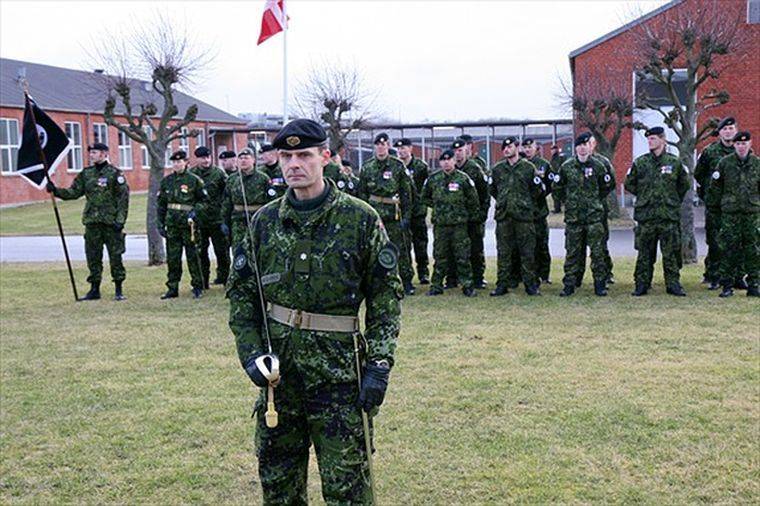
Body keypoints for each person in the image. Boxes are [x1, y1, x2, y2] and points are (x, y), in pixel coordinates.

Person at [227, 118, 402, 504]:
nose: (293, 164)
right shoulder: (264, 222)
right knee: (279, 485)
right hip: (279, 378)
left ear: (325, 157)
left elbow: (386, 299)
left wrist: (379, 364)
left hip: (340, 377)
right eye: (286, 156)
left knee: (348, 488)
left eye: (303, 155)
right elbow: (242, 296)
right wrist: (252, 355)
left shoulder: (360, 220)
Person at [46, 142, 129, 301]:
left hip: (111, 223)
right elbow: (74, 192)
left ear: (104, 154)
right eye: (90, 152)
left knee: (115, 256)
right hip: (92, 222)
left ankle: (118, 289)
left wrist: (120, 221)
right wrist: (55, 190)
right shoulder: (86, 174)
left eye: (95, 152)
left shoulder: (115, 174)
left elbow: (123, 199)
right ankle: (94, 289)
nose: (91, 155)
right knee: (93, 256)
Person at [624, 127, 690, 296]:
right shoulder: (641, 162)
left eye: (653, 138)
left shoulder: (674, 163)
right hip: (647, 216)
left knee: (671, 253)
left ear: (663, 140)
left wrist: (672, 200)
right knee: (645, 253)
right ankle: (642, 284)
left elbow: (684, 185)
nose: (650, 141)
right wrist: (645, 195)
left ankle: (673, 284)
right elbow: (630, 183)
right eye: (649, 139)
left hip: (668, 215)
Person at [553, 133, 613, 296]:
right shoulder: (567, 166)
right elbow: (557, 188)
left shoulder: (599, 166)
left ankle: (599, 285)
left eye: (585, 144)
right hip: (574, 218)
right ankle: (569, 285)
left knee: (597, 252)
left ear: (590, 146)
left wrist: (594, 201)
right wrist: (569, 201)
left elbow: (607, 186)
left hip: (594, 218)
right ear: (576, 148)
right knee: (572, 253)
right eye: (579, 145)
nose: (582, 147)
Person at [357, 132, 415, 295]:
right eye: (378, 144)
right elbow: (361, 194)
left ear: (388, 146)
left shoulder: (397, 166)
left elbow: (406, 194)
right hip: (374, 216)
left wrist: (407, 216)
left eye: (384, 144)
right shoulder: (367, 167)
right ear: (374, 147)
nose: (381, 147)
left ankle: (406, 280)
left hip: (394, 216)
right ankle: (374, 281)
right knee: (373, 250)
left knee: (400, 249)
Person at [489, 137, 544, 296]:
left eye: (510, 147)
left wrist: (524, 203)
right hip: (504, 217)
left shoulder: (528, 168)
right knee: (504, 252)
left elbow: (537, 191)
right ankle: (502, 285)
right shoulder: (498, 169)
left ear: (517, 148)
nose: (506, 150)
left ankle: (530, 285)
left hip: (524, 218)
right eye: (504, 148)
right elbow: (493, 189)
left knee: (527, 252)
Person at [421, 149, 480, 297]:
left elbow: (473, 200)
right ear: (440, 162)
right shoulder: (434, 179)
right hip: (441, 225)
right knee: (440, 256)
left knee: (462, 256)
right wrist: (439, 206)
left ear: (454, 161)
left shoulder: (463, 179)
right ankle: (436, 286)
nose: (446, 162)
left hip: (459, 225)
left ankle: (467, 286)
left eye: (449, 160)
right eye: (443, 160)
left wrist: (461, 211)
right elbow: (424, 197)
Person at [709, 131, 759, 298]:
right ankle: (727, 285)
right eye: (738, 144)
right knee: (729, 249)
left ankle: (754, 284)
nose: (741, 146)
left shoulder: (757, 164)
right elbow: (715, 189)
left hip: (751, 214)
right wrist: (716, 211)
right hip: (730, 215)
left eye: (745, 143)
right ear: (734, 145)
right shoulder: (725, 163)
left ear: (750, 144)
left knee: (753, 250)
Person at [157, 150, 208, 299]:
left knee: (193, 256)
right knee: (173, 257)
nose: (177, 164)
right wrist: (160, 223)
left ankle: (197, 286)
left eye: (179, 162)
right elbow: (161, 204)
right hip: (172, 224)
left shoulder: (194, 180)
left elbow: (204, 201)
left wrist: (195, 212)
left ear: (186, 162)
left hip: (189, 225)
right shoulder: (167, 181)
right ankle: (172, 288)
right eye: (174, 162)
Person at [694, 116, 738, 289]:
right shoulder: (709, 151)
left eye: (731, 129)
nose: (728, 132)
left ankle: (735, 276)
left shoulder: (742, 150)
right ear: (719, 132)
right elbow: (699, 175)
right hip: (715, 206)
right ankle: (713, 276)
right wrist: (708, 195)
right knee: (714, 241)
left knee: (736, 241)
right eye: (725, 129)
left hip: (736, 206)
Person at [190, 146, 229, 288]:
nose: (206, 160)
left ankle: (225, 279)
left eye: (208, 157)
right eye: (202, 158)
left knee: (221, 251)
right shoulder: (192, 175)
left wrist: (225, 217)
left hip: (217, 219)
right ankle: (203, 281)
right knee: (201, 252)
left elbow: (227, 194)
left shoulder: (219, 174)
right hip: (199, 221)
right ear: (197, 159)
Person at [452, 138, 490, 289]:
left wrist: (482, 214)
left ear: (466, 151)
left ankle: (478, 278)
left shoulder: (474, 168)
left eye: (460, 150)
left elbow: (485, 193)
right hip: (456, 218)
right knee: (455, 248)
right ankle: (454, 278)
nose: (457, 153)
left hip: (473, 217)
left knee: (475, 248)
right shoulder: (450, 168)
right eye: (455, 151)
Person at [395, 138, 430, 284]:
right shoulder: (395, 166)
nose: (401, 151)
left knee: (420, 243)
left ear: (410, 149)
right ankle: (406, 273)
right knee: (404, 244)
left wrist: (423, 205)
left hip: (417, 212)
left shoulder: (421, 166)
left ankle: (423, 273)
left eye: (404, 148)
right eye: (399, 148)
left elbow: (427, 188)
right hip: (401, 212)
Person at [221, 148, 272, 249]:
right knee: (238, 249)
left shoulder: (263, 178)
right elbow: (227, 202)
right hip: (238, 221)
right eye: (241, 158)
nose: (243, 160)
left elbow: (271, 201)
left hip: (257, 219)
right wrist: (224, 221)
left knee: (258, 248)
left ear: (253, 160)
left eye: (246, 158)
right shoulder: (232, 179)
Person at [523, 138, 555, 284]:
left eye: (530, 147)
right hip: (523, 213)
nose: (528, 150)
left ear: (536, 148)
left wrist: (540, 195)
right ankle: (526, 275)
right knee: (525, 247)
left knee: (542, 245)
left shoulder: (544, 164)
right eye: (525, 147)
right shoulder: (520, 164)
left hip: (539, 211)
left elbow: (551, 184)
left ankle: (544, 275)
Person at [588, 135, 617, 286]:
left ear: (594, 145)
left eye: (590, 143)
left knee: (601, 243)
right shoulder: (572, 163)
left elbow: (610, 183)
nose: (587, 146)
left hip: (599, 211)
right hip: (578, 212)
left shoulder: (603, 162)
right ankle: (576, 277)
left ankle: (607, 273)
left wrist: (597, 199)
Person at [550, 144, 567, 213]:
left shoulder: (560, 158)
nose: (552, 151)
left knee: (561, 195)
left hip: (559, 178)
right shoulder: (552, 159)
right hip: (555, 179)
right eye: (551, 149)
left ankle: (561, 208)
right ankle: (557, 208)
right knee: (555, 194)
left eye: (553, 149)